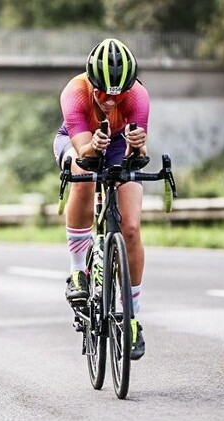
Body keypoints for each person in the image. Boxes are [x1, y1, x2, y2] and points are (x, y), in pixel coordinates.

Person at [52, 38, 149, 360]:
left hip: (118, 143)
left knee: (131, 228)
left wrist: (139, 144)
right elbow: (84, 151)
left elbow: (140, 154)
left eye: (118, 94)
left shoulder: (137, 96)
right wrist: (94, 144)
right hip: (77, 141)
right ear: (91, 83)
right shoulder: (75, 92)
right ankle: (78, 269)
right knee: (83, 174)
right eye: (103, 93)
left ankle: (132, 316)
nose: (110, 99)